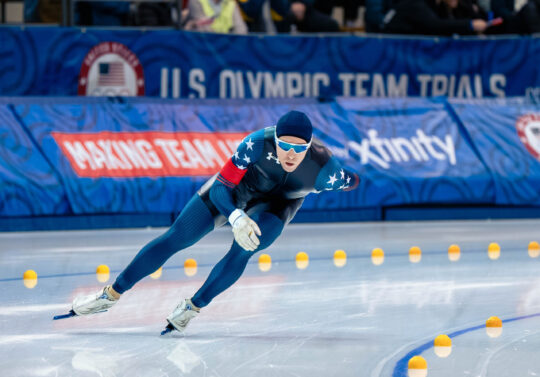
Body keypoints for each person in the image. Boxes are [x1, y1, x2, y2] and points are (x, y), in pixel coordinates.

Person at [70, 110, 359, 333]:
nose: (291, 154)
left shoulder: (326, 171)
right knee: (179, 236)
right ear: (275, 139)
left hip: (280, 203)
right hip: (238, 190)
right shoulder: (256, 144)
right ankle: (111, 294)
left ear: (310, 146)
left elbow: (351, 181)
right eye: (285, 145)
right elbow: (222, 186)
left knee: (245, 248)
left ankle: (192, 308)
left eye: (300, 148)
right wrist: (235, 216)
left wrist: (349, 180)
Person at [382, 0, 490, 35]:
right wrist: (470, 24)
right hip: (394, 56)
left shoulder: (442, 6)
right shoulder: (415, 3)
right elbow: (435, 25)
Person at [184, 0, 248, 33]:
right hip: (202, 46)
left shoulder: (230, 2)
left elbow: (241, 29)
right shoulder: (196, 1)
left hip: (226, 47)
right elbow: (204, 30)